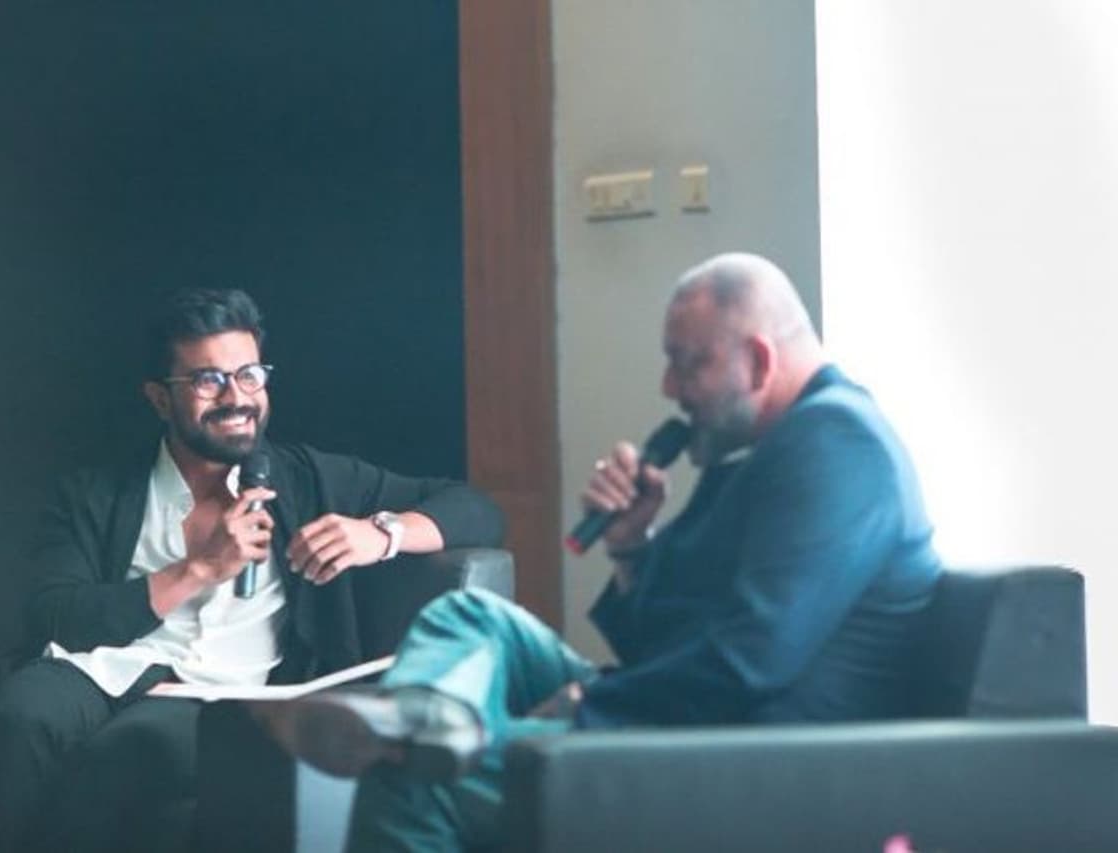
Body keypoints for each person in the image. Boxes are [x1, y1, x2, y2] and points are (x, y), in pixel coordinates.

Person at [263, 252, 943, 851]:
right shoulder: (762, 450)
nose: (669, 388)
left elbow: (749, 663)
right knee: (475, 616)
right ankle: (427, 717)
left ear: (760, 361)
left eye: (688, 362)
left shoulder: (837, 448)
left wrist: (589, 704)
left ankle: (424, 741)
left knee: (418, 780)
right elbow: (660, 639)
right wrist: (631, 545)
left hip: (753, 752)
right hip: (695, 714)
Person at [0, 288, 505, 852]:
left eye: (249, 375)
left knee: (129, 751)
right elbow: (53, 613)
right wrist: (199, 569)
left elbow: (477, 510)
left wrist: (381, 533)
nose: (236, 397)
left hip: (213, 693)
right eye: (208, 380)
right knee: (18, 716)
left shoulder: (307, 479)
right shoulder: (95, 493)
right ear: (160, 398)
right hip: (97, 668)